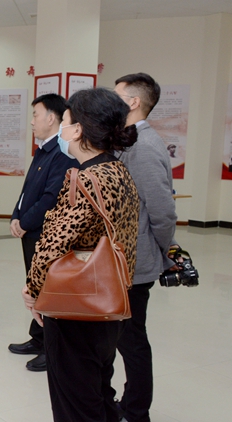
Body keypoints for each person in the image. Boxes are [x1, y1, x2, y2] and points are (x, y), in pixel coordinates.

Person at [22, 87, 139, 421]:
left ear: (78, 130)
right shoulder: (119, 171)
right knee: (99, 392)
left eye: (66, 120)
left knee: (75, 402)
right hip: (109, 300)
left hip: (75, 307)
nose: (62, 128)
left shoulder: (84, 179)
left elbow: (54, 243)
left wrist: (32, 289)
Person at [114, 73, 178, 422]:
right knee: (125, 338)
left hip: (135, 262)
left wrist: (165, 252)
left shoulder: (143, 147)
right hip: (126, 259)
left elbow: (163, 212)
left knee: (132, 341)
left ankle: (136, 411)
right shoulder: (131, 141)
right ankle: (128, 403)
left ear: (133, 102)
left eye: (117, 96)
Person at [8, 94, 78, 372]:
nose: (32, 121)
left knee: (48, 289)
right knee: (35, 285)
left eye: (36, 115)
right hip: (31, 230)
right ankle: (38, 338)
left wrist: (25, 222)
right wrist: (15, 215)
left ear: (51, 118)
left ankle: (52, 348)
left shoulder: (62, 153)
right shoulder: (43, 150)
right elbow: (28, 191)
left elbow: (50, 197)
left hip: (45, 233)